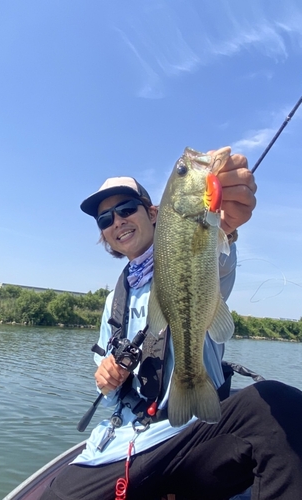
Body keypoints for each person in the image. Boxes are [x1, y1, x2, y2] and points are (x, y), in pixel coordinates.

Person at [41, 151, 302, 500]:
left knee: (277, 404)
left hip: (198, 439)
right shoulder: (112, 302)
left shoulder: (199, 241)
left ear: (153, 213)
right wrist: (106, 377)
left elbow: (218, 260)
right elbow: (108, 390)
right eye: (105, 219)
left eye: (126, 209)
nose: (116, 221)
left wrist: (225, 226)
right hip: (128, 444)